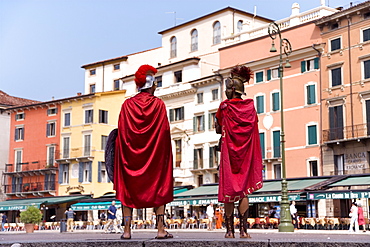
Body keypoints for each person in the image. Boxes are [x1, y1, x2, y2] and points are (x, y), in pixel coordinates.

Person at [114, 64, 174, 240]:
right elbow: (164, 132)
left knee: (127, 191)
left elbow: (122, 132)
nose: (156, 87)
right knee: (160, 187)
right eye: (155, 84)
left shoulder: (126, 105)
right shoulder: (159, 105)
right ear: (151, 85)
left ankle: (127, 230)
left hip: (131, 157)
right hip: (155, 157)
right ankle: (160, 229)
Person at [215, 65, 263, 238]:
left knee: (229, 192)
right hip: (246, 156)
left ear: (232, 89)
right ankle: (244, 230)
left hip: (229, 154)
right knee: (243, 191)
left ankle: (229, 231)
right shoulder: (250, 108)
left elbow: (218, 129)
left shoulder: (224, 107)